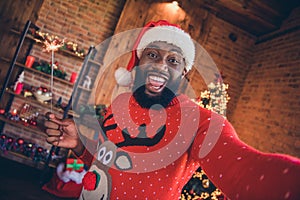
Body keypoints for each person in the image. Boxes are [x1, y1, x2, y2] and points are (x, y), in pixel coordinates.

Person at [43, 20, 300, 199]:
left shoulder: (200, 122)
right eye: (152, 55)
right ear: (139, 62)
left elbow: (245, 172)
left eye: (173, 60)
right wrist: (79, 145)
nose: (161, 66)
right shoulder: (119, 106)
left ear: (183, 71)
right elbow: (105, 163)